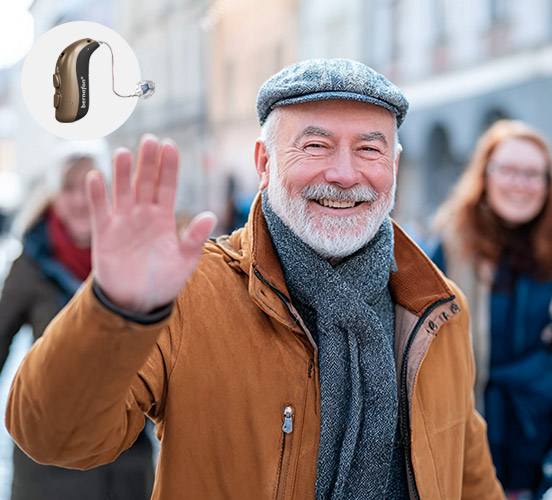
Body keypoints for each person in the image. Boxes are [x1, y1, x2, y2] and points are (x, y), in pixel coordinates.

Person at [6, 59, 504, 499]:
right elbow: (54, 436)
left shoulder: (437, 309)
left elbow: (469, 478)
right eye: (315, 145)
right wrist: (114, 309)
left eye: (370, 150)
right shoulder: (191, 292)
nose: (345, 173)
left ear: (393, 168)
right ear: (264, 163)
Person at [0, 154, 155, 500]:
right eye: (69, 187)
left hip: (125, 461)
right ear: (54, 195)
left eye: (91, 185)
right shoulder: (31, 265)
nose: (81, 198)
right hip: (48, 466)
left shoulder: (137, 260)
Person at [430, 120, 552, 500]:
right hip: (467, 419)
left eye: (531, 174)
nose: (519, 183)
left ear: (547, 183)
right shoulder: (450, 247)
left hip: (540, 429)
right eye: (507, 170)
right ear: (485, 176)